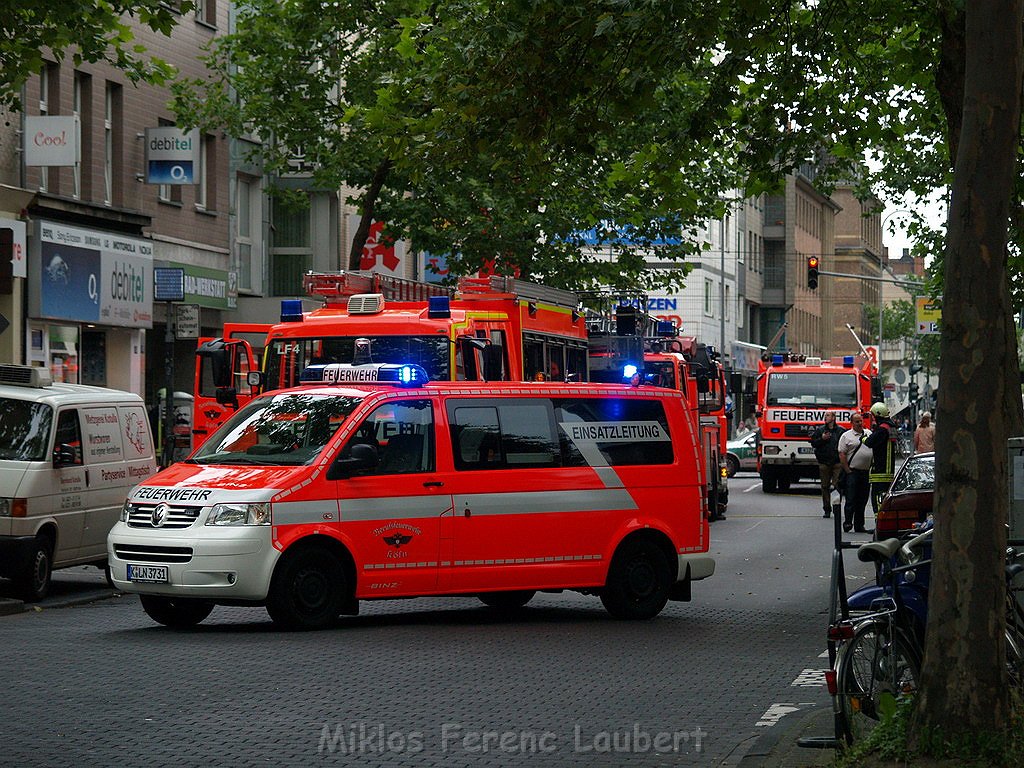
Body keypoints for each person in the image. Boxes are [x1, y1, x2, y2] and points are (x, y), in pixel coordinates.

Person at [865, 401, 899, 526]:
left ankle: (879, 521)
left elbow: (869, 442)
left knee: (877, 497)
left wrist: (863, 438)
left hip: (879, 470)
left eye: (873, 416)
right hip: (888, 471)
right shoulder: (891, 427)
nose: (872, 418)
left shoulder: (882, 429)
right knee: (885, 496)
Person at [838, 412, 872, 533]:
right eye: (856, 421)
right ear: (851, 423)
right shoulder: (846, 436)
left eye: (861, 421)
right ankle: (848, 523)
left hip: (865, 473)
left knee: (862, 500)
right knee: (851, 499)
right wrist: (848, 470)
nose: (859, 423)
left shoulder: (869, 434)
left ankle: (859, 525)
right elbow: (842, 454)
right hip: (853, 472)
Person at [809, 412, 842, 518]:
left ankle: (836, 506)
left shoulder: (840, 431)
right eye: (825, 416)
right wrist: (822, 439)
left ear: (833, 417)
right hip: (824, 462)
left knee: (837, 485)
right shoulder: (820, 430)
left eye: (828, 416)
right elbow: (813, 443)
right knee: (825, 486)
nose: (825, 418)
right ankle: (827, 509)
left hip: (837, 462)